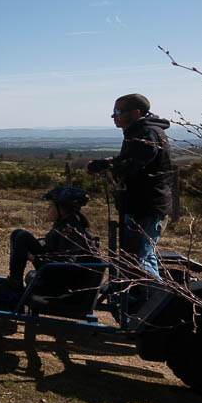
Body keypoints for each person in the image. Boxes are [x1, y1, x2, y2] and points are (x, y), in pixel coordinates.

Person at [86, 93, 173, 277]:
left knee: (140, 259)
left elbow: (134, 162)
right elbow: (131, 161)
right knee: (135, 257)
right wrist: (112, 162)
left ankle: (155, 300)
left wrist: (108, 165)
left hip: (147, 208)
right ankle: (138, 299)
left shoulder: (146, 134)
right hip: (139, 206)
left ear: (135, 112)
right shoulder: (139, 132)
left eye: (118, 111)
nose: (113, 116)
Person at [6, 186, 99, 290]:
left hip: (60, 280)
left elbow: (66, 264)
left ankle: (15, 286)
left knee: (22, 236)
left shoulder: (70, 231)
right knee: (18, 234)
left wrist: (33, 258)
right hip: (55, 272)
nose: (48, 209)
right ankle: (15, 281)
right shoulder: (67, 225)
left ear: (63, 209)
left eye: (51, 206)